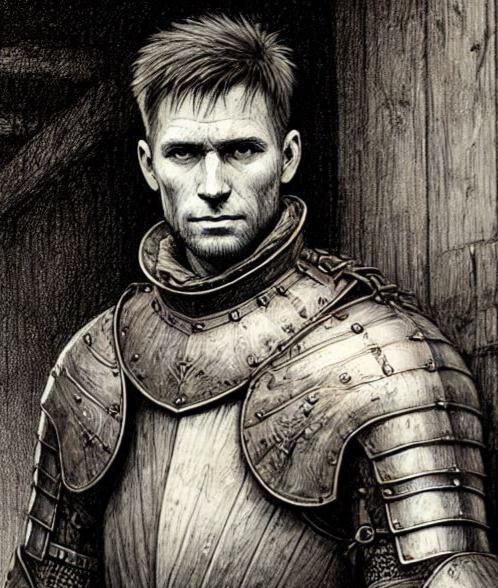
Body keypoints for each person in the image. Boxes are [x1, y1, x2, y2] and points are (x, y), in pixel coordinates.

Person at [6, 14, 498, 588]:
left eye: (241, 150)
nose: (213, 186)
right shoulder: (93, 363)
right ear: (148, 165)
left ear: (287, 157)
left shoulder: (385, 359)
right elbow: (45, 578)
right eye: (184, 154)